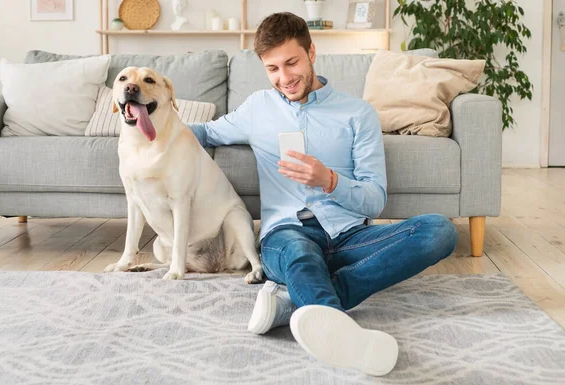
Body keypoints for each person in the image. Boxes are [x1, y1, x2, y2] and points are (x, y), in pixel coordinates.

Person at [188, 12, 458, 376]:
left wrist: (329, 180)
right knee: (300, 255)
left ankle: (294, 303)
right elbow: (202, 133)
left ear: (312, 52)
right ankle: (343, 335)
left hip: (350, 235)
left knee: (439, 231)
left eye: (291, 63)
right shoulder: (256, 109)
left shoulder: (357, 114)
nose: (284, 78)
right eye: (272, 69)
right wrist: (140, 121)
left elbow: (375, 199)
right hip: (286, 234)